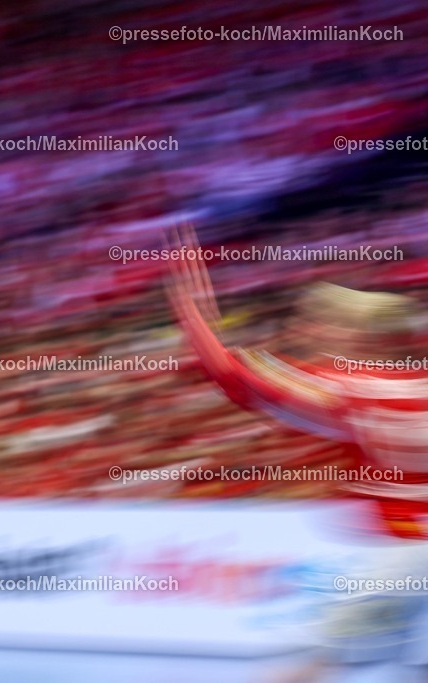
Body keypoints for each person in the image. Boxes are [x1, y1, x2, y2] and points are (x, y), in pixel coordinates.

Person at [165, 223, 428, 680]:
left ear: (358, 337)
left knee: (309, 665)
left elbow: (241, 384)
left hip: (407, 556)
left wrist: (194, 318)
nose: (310, 331)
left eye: (322, 324)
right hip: (409, 556)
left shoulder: (356, 391)